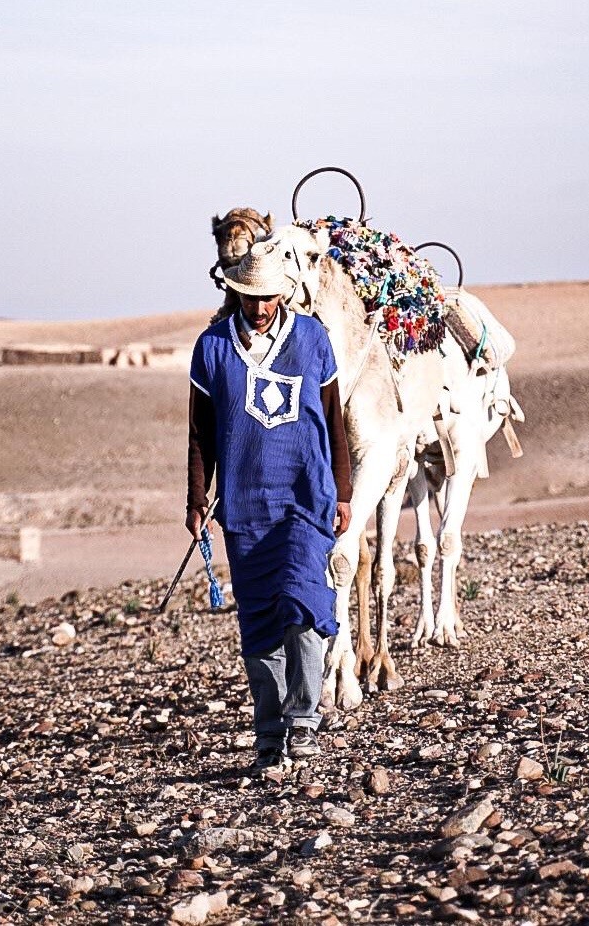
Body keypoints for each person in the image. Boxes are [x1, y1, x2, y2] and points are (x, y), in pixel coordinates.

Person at [186, 233, 353, 775]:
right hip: (245, 506)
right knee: (259, 622)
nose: (261, 308)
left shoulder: (312, 339)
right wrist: (197, 498)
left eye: (269, 297)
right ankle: (269, 735)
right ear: (235, 293)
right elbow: (200, 432)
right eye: (251, 297)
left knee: (304, 604)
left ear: (283, 294)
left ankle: (303, 723)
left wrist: (344, 491)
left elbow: (334, 420)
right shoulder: (211, 349)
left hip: (306, 496)